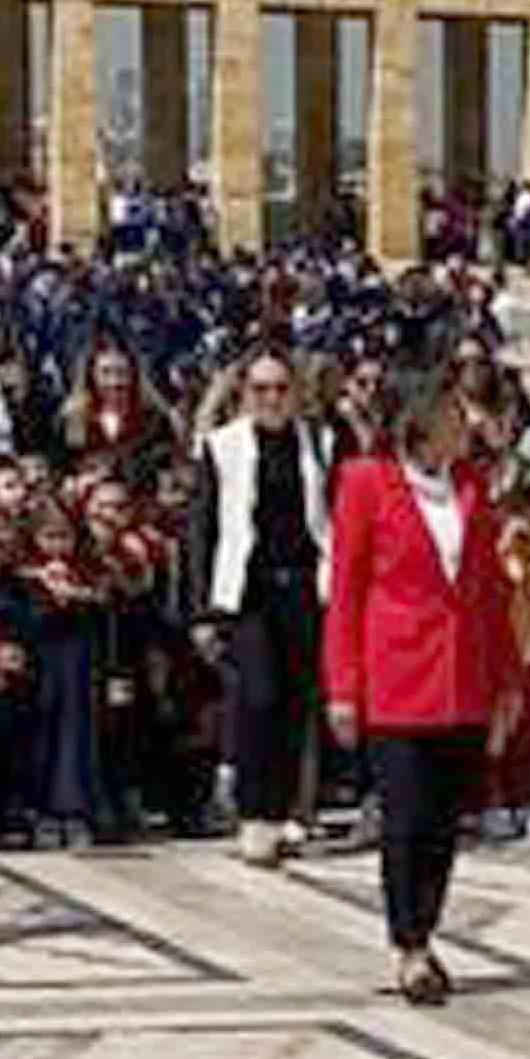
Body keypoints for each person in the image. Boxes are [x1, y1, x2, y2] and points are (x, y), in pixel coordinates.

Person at [324, 369, 506, 1006]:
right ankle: (409, 943)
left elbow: (489, 589)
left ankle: (427, 925)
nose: (468, 429)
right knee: (404, 814)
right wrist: (342, 685)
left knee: (443, 820)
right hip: (396, 673)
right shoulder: (365, 483)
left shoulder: (472, 487)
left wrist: (502, 677)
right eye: (455, 417)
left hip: (461, 673)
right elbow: (346, 589)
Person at [189, 348, 332, 865]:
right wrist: (203, 610)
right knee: (258, 698)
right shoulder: (222, 447)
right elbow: (202, 529)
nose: (271, 399)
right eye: (260, 390)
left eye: (280, 389)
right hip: (248, 592)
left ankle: (286, 811)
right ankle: (255, 813)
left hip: (302, 585)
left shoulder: (317, 442)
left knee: (297, 701)